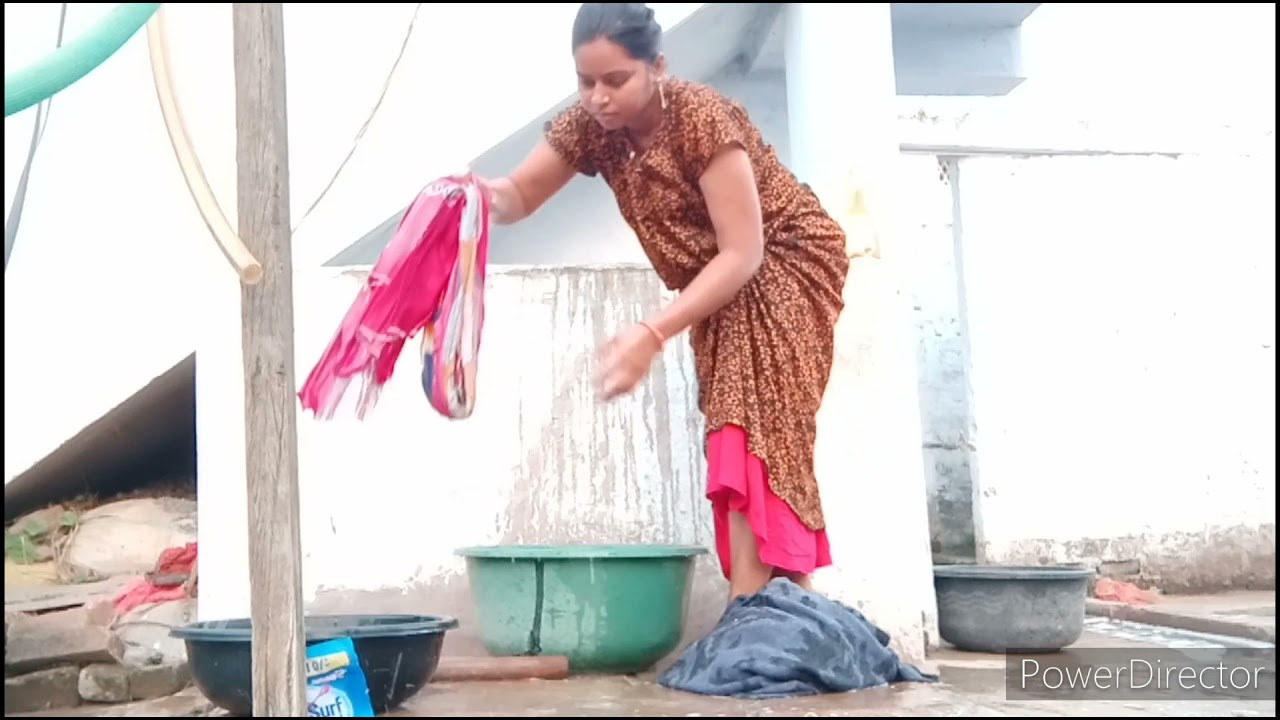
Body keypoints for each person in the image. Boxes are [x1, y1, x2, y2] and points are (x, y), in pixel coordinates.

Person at [478, 3, 850, 601]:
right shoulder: (591, 128)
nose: (599, 97)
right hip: (724, 281)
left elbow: (742, 253)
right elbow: (519, 195)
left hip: (785, 261)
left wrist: (651, 334)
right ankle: (787, 607)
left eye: (616, 80)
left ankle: (751, 608)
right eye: (586, 82)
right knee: (744, 432)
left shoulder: (701, 116)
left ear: (658, 66)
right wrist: (464, 198)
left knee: (752, 429)